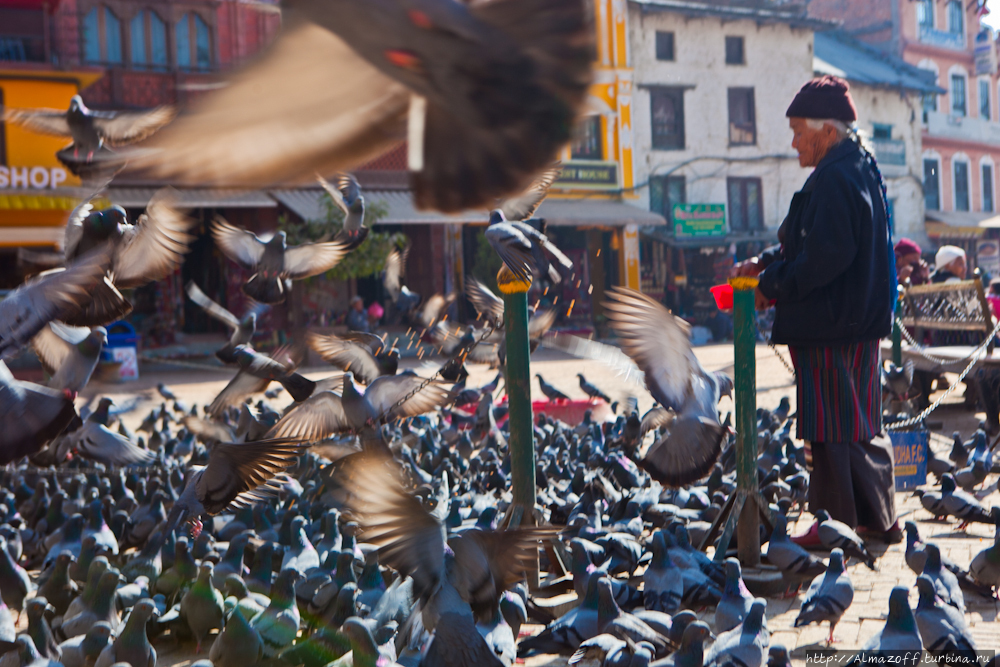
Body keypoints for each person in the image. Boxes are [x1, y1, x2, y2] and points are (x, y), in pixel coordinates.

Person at [732, 75, 899, 543]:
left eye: (798, 131)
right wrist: (765, 263)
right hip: (857, 321)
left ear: (827, 130)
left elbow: (826, 256)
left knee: (830, 427)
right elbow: (801, 242)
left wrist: (772, 285)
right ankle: (878, 519)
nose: (793, 142)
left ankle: (834, 528)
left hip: (832, 321)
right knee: (861, 422)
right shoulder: (858, 167)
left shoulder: (835, 176)